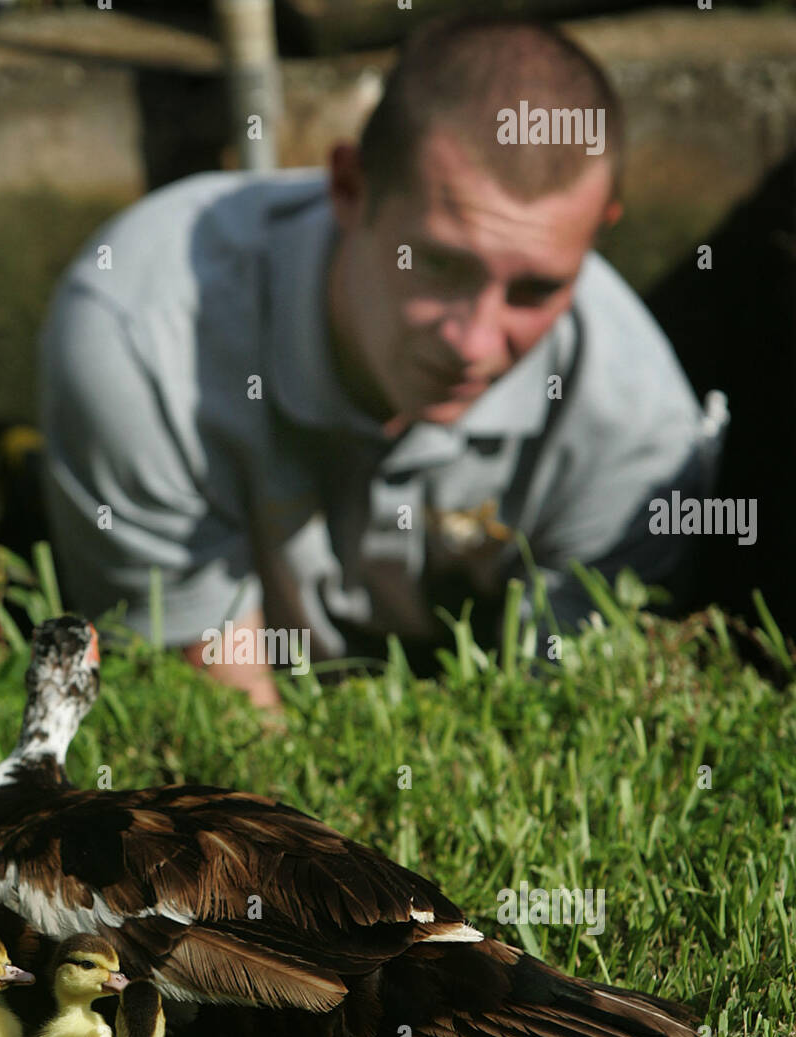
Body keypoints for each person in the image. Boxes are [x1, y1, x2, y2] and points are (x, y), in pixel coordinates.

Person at [39, 17, 720, 708]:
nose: (475, 343)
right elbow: (225, 730)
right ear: (348, 187)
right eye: (438, 264)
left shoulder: (638, 431)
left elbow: (569, 725)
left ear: (598, 235)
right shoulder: (141, 340)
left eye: (536, 289)